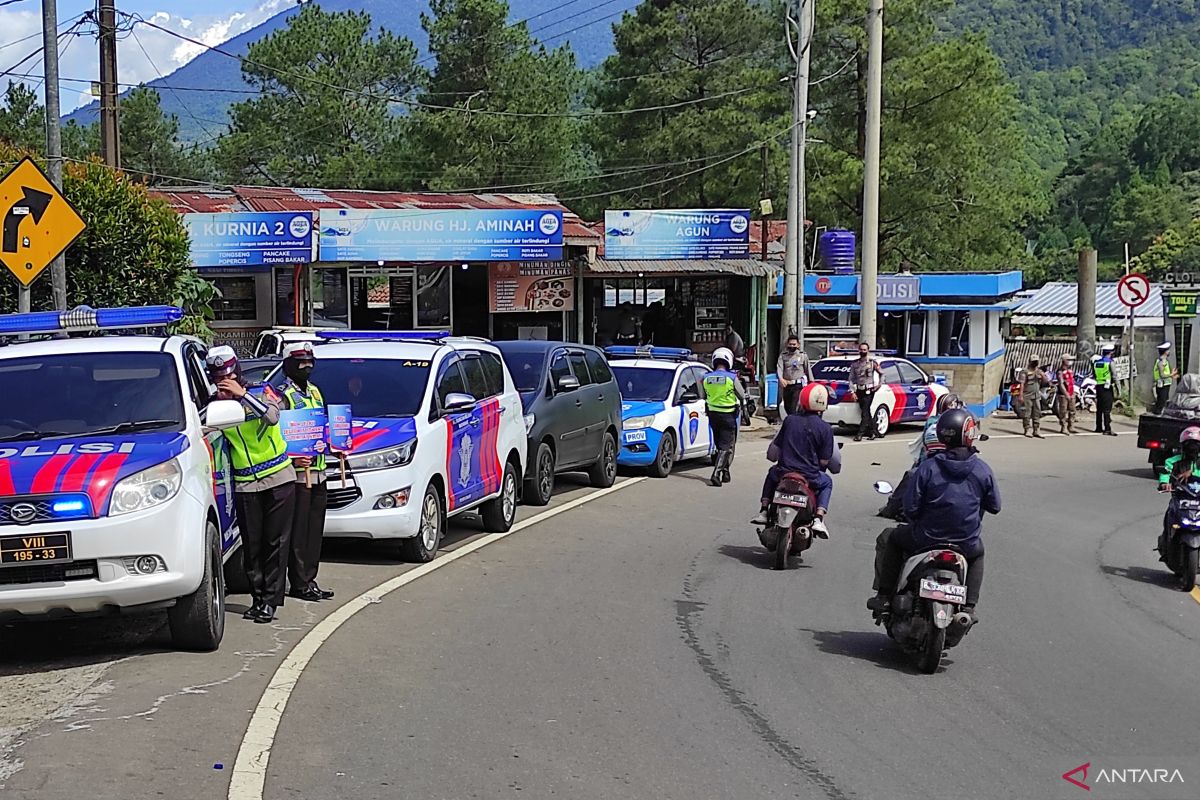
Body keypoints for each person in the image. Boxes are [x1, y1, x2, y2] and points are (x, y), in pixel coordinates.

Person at [868, 409, 1000, 622]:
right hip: (965, 542)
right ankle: (969, 607)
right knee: (978, 554)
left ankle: (884, 596)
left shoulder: (928, 467)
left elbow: (910, 508)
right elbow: (995, 506)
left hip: (925, 538)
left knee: (891, 538)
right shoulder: (982, 470)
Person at [207, 346, 296, 624]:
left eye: (229, 375)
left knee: (275, 542)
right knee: (253, 545)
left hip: (279, 477)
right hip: (246, 484)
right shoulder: (214, 404)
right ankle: (257, 598)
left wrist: (241, 395)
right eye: (219, 376)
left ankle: (270, 601)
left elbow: (272, 417)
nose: (225, 380)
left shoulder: (260, 391)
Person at [279, 342, 334, 603]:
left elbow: (320, 425)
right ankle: (299, 583)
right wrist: (291, 458)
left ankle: (310, 580)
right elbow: (277, 435)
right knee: (298, 533)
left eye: (310, 360)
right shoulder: (282, 396)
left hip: (319, 470)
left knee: (314, 531)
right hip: (297, 474)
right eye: (301, 361)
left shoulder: (314, 391)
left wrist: (337, 443)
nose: (307, 365)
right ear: (289, 364)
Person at [752, 383, 833, 537]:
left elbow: (778, 445)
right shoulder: (825, 428)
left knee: (771, 473)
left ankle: (763, 510)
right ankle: (818, 518)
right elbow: (824, 461)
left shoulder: (790, 420)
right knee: (827, 482)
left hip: (784, 472)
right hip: (810, 477)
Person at [703, 347, 747, 487]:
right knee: (726, 446)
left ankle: (725, 472)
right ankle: (716, 473)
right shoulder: (731, 378)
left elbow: (704, 395)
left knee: (719, 444)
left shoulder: (705, 377)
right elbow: (741, 395)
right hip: (728, 414)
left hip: (712, 415)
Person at [1158, 426, 1200, 559]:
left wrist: (1192, 472)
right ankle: (1166, 544)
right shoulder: (1173, 461)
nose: (1192, 448)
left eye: (1196, 444)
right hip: (1181, 498)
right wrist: (1164, 483)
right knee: (1169, 517)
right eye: (1189, 444)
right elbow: (1165, 472)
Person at [849, 342, 883, 441]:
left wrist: (879, 385)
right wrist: (852, 392)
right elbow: (851, 379)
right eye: (861, 349)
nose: (863, 351)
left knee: (864, 412)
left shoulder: (872, 363)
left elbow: (882, 374)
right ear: (858, 350)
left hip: (869, 391)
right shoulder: (855, 364)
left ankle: (860, 434)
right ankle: (874, 432)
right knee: (866, 412)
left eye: (865, 350)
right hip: (859, 390)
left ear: (868, 350)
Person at [776, 334, 813, 422]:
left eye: (794, 344)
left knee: (794, 407)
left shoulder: (803, 356)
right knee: (787, 407)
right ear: (787, 345)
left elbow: (808, 370)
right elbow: (779, 368)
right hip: (787, 386)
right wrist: (781, 379)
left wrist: (811, 383)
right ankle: (795, 423)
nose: (792, 346)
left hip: (798, 386)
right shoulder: (783, 356)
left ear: (798, 345)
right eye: (790, 344)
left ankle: (795, 426)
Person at [1016, 356, 1049, 438]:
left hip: (1036, 395)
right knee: (1027, 413)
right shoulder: (1024, 372)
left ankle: (1036, 430)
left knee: (1037, 413)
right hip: (1027, 395)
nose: (1035, 363)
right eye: (1034, 361)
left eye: (1036, 361)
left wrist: (1043, 375)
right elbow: (1022, 384)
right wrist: (1020, 395)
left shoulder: (1039, 371)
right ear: (1030, 362)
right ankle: (1027, 430)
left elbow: (1046, 382)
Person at [1094, 344, 1116, 436]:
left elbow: (1094, 374)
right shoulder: (1110, 362)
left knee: (1099, 407)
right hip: (1107, 387)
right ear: (1111, 352)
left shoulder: (1096, 362)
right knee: (1107, 408)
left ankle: (1098, 427)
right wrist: (1117, 387)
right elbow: (1114, 375)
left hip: (1098, 386)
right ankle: (1107, 428)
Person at [1154, 342, 1176, 415]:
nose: (1169, 351)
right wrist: (1171, 374)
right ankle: (1157, 416)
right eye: (1168, 350)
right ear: (1165, 352)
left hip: (1165, 384)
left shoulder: (1164, 361)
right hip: (1162, 385)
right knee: (1161, 402)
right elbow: (1162, 375)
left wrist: (1171, 375)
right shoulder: (1161, 362)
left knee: (1163, 401)